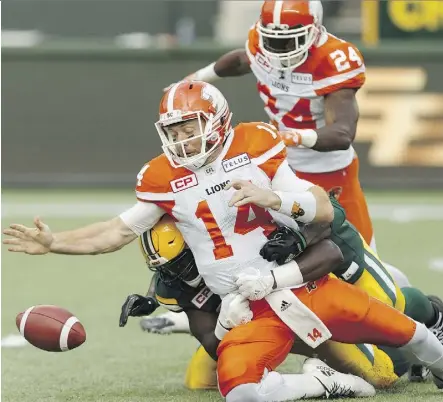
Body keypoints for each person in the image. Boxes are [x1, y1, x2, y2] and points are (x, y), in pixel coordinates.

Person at [4, 81, 443, 401]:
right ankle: (323, 383)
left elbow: (323, 212)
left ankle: (429, 324)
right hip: (248, 307)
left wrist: (274, 198)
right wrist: (55, 242)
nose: (180, 139)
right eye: (173, 130)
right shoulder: (161, 177)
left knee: (405, 345)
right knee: (238, 391)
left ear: (216, 121)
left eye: (188, 127)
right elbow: (117, 231)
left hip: (302, 281)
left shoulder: (256, 145)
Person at [166, 0, 412, 291]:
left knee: (362, 264)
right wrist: (197, 79)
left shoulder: (333, 58)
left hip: (328, 171)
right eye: (272, 40)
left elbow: (343, 134)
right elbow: (242, 60)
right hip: (278, 165)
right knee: (260, 248)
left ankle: (415, 310)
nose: (278, 50)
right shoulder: (260, 43)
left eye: (288, 41)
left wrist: (294, 136)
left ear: (314, 31)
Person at [123, 203, 443, 390]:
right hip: (262, 319)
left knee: (381, 367)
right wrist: (223, 324)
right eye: (166, 268)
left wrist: (283, 264)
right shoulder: (173, 280)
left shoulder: (242, 233)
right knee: (200, 380)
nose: (174, 274)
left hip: (303, 291)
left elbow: (327, 240)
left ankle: (426, 312)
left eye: (179, 263)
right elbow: (209, 338)